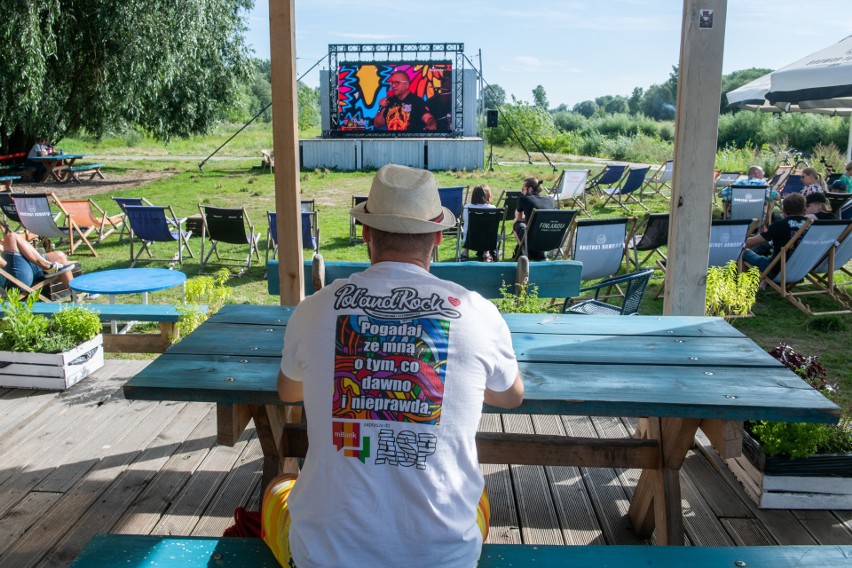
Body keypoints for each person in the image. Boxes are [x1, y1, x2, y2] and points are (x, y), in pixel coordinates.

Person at [263, 164, 524, 568]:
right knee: (478, 495)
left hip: (323, 559)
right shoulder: (478, 313)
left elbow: (288, 391)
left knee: (280, 486)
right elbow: (510, 396)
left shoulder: (313, 310)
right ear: (437, 238)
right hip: (443, 560)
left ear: (367, 234)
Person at [742, 193, 809, 276]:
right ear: (805, 210)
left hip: (776, 270)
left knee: (742, 251)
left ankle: (742, 281)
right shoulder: (810, 225)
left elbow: (750, 242)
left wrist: (737, 243)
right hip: (800, 270)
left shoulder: (781, 224)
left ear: (784, 210)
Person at [0, 232, 77, 292]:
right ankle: (46, 265)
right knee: (11, 237)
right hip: (11, 281)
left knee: (59, 256)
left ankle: (76, 294)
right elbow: (3, 264)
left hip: (24, 271)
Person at [513, 176, 555, 260]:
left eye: (523, 189)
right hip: (550, 240)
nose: (522, 192)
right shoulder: (551, 200)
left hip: (531, 241)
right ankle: (539, 253)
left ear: (530, 189)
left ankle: (523, 250)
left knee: (516, 223)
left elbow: (518, 218)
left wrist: (524, 218)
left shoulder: (524, 199)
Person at [461, 184, 497, 261]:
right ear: (488, 195)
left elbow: (465, 221)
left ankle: (465, 252)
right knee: (488, 230)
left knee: (468, 228)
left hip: (469, 240)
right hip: (487, 241)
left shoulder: (467, 207)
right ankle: (486, 252)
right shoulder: (492, 208)